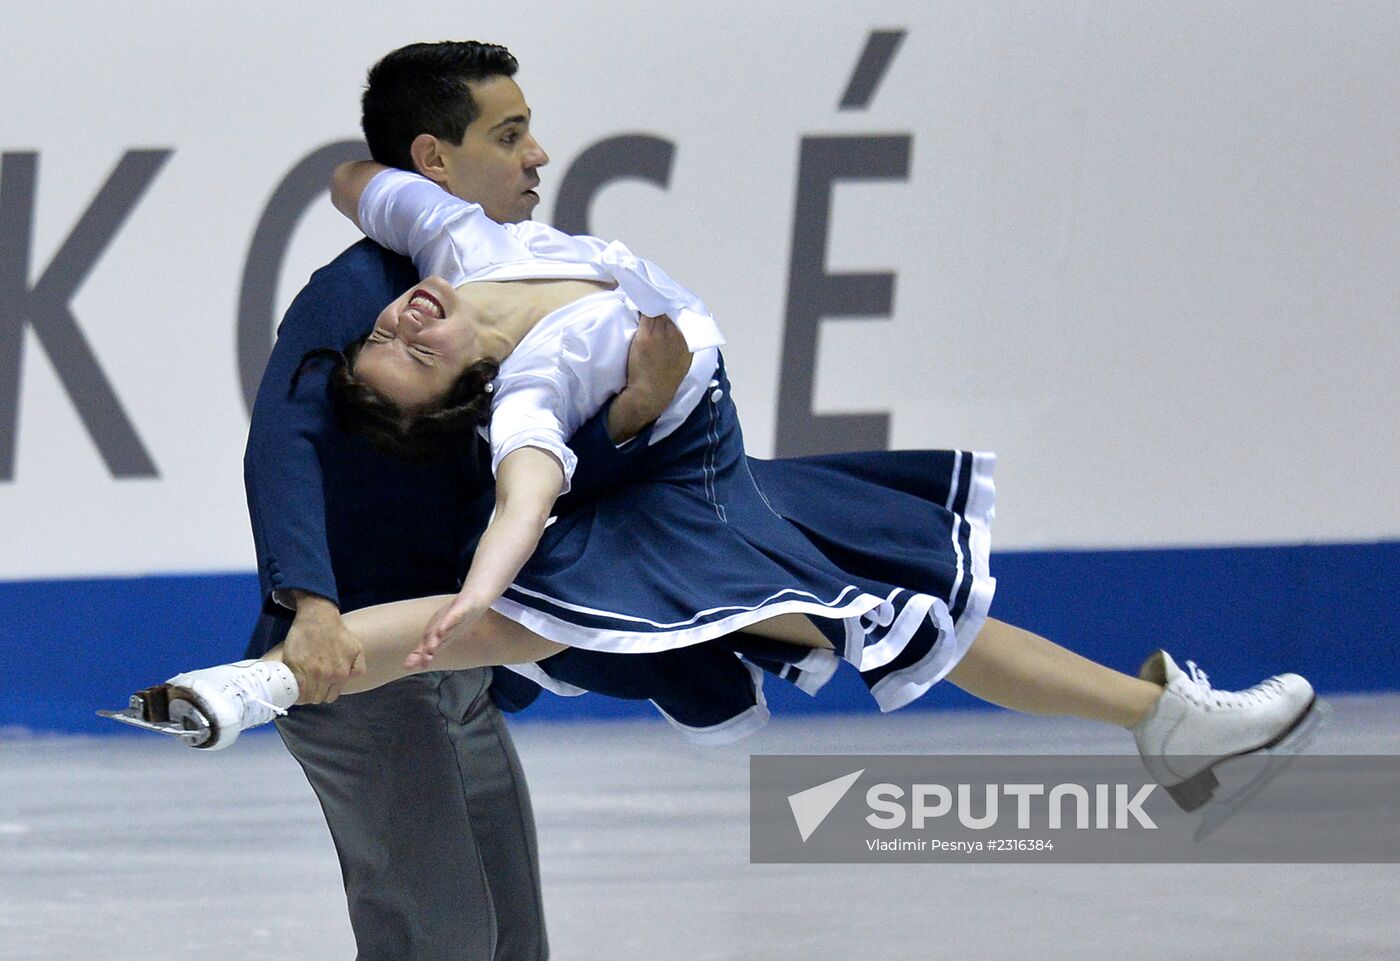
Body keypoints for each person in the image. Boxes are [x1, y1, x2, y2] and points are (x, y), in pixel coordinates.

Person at [132, 147, 1318, 818]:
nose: (404, 314)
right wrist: (471, 587)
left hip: (709, 474)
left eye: (392, 324)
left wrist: (365, 178)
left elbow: (360, 180)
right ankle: (248, 688)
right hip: (690, 490)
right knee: (514, 619)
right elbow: (524, 497)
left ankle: (1156, 716)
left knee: (903, 614)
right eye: (412, 351)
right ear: (464, 396)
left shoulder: (463, 244)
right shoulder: (536, 389)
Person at [239, 41, 692, 961]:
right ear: (434, 161)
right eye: (511, 133)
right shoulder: (364, 292)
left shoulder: (514, 296)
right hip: (355, 675)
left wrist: (632, 413)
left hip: (453, 677)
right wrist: (310, 605)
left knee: (511, 941)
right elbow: (282, 441)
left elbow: (534, 463)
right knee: (442, 940)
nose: (538, 156)